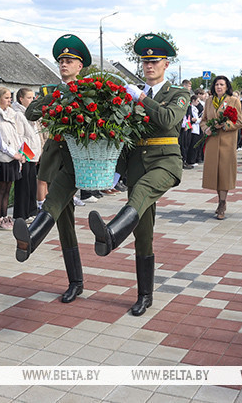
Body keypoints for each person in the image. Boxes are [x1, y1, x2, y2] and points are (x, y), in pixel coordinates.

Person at [88, 33, 189, 316]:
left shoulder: (178, 93)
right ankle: (144, 295)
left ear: (166, 64)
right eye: (145, 61)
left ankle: (111, 235)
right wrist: (117, 171)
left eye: (154, 61)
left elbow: (168, 119)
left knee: (143, 190)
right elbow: (126, 136)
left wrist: (142, 98)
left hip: (165, 162)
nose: (149, 66)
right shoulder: (132, 95)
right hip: (137, 164)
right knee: (143, 234)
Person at [14, 34, 92, 304]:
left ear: (80, 66)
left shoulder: (89, 90)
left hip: (75, 162)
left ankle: (31, 239)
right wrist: (53, 98)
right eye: (61, 61)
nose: (64, 65)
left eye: (69, 61)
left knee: (55, 204)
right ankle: (76, 282)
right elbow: (30, 113)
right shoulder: (50, 90)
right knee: (65, 223)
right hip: (52, 161)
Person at [201, 75, 242, 220]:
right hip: (212, 142)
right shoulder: (209, 101)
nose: (219, 87)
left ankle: (222, 203)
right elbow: (203, 120)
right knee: (215, 175)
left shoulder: (234, 101)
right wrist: (206, 128)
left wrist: (224, 125)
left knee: (224, 173)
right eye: (217, 84)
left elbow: (239, 122)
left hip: (227, 142)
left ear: (227, 87)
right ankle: (220, 200)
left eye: (222, 85)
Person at [0, 86, 25, 230]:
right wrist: (12, 153)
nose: (9, 100)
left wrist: (20, 153)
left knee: (8, 189)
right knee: (0, 188)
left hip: (14, 157)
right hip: (4, 157)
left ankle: (5, 216)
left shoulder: (12, 114)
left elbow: (17, 134)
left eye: (10, 97)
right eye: (6, 98)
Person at [12, 87, 42, 221]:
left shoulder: (31, 114)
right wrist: (24, 154)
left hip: (33, 154)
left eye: (33, 97)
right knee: (23, 185)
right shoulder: (19, 114)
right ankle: (21, 214)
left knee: (31, 184)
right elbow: (19, 136)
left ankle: (31, 211)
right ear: (21, 99)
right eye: (29, 97)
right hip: (25, 155)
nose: (32, 100)